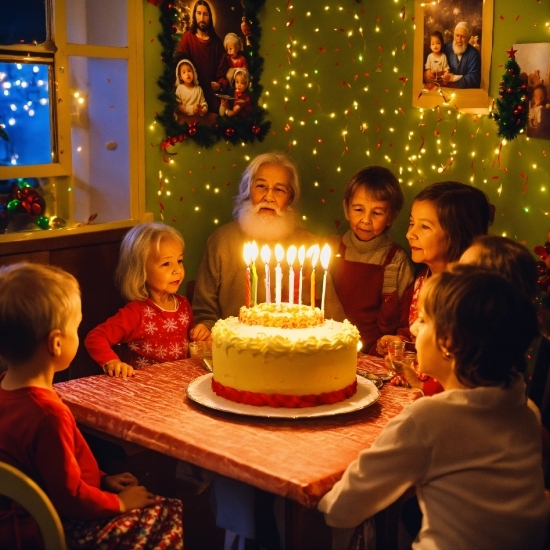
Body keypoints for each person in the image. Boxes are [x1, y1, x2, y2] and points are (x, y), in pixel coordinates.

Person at [318, 267, 548, 550]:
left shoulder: (428, 420)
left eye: (423, 320)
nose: (413, 327)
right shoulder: (526, 412)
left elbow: (343, 509)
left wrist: (320, 502)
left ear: (448, 342)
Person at [0, 262, 184, 549]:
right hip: (48, 527)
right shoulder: (48, 415)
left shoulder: (6, 389)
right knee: (164, 511)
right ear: (56, 344)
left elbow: (51, 469)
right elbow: (68, 496)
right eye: (75, 327)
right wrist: (118, 503)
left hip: (20, 520)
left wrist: (102, 480)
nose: (79, 333)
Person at [377, 181, 493, 394]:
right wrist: (402, 342)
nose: (410, 234)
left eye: (424, 226)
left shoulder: (469, 298)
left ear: (456, 234)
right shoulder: (422, 279)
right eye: (412, 223)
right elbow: (411, 330)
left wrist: (425, 387)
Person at [192, 150, 325, 330]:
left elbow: (329, 313)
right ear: (248, 190)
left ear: (290, 197)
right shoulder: (221, 241)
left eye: (279, 190)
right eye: (261, 186)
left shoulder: (308, 245)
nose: (268, 197)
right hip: (236, 347)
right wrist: (205, 328)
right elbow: (204, 311)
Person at [85, 222, 210, 379]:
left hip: (179, 385)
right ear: (141, 270)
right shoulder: (136, 312)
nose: (177, 270)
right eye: (166, 264)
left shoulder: (183, 304)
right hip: (145, 389)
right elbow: (95, 337)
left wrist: (201, 335)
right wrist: (112, 362)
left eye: (179, 261)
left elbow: (191, 343)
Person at [327, 166, 415, 354]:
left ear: (391, 216)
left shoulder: (396, 261)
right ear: (346, 208)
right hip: (331, 348)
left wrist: (392, 343)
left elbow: (405, 321)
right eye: (358, 209)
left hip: (375, 354)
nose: (366, 220)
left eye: (377, 213)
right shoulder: (332, 250)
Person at [175, 0, 224, 114]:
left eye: (205, 14)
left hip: (211, 97)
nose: (202, 18)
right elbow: (180, 66)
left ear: (210, 17)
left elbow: (222, 73)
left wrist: (219, 84)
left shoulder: (217, 43)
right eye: (199, 13)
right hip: (191, 96)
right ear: (194, 15)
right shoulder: (187, 39)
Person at [433, 21, 481, 89]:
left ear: (468, 38)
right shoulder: (445, 48)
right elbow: (434, 60)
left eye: (463, 37)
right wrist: (427, 73)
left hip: (466, 95)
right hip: (446, 92)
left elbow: (474, 78)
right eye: (457, 35)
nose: (459, 40)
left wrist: (453, 78)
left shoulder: (474, 54)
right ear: (454, 35)